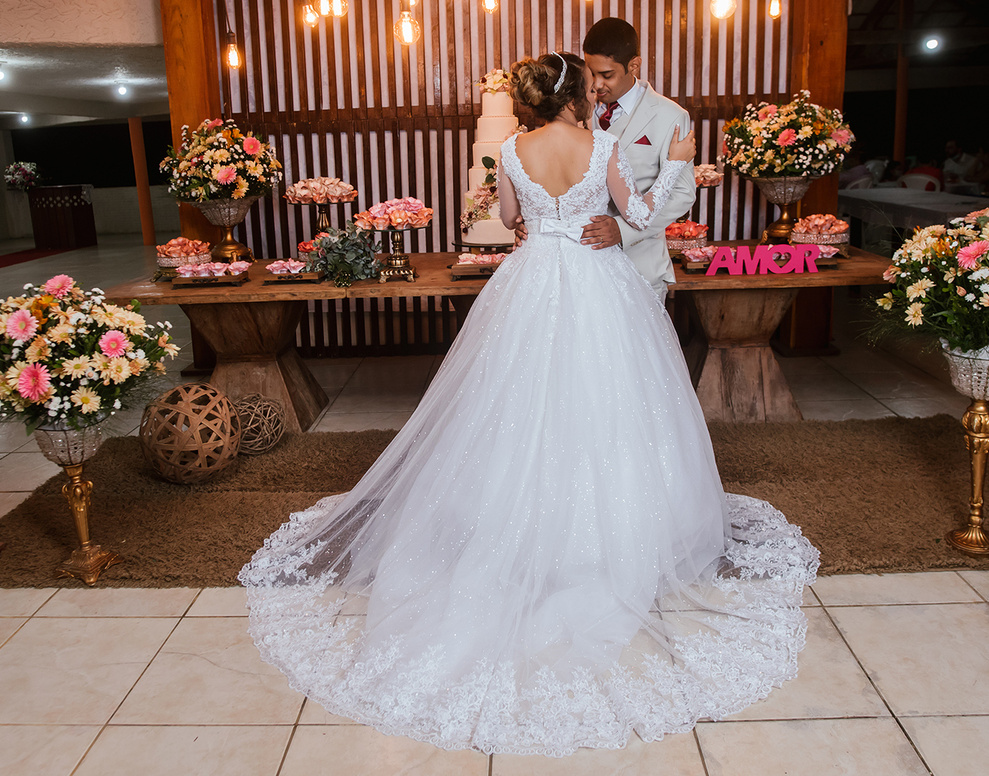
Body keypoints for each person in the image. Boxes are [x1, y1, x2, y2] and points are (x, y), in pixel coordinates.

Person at [239, 52, 818, 757]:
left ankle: (509, 523)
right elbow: (637, 214)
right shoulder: (602, 145)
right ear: (576, 93)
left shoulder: (512, 149)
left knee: (509, 404)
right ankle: (607, 531)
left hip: (531, 277)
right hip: (599, 281)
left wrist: (538, 223)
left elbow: (509, 217)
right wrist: (675, 165)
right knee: (606, 405)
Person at [581, 17, 696, 302]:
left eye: (606, 75)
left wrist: (623, 230)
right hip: (582, 267)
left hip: (642, 265)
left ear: (634, 65)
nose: (597, 85)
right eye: (591, 73)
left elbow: (682, 193)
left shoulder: (671, 115)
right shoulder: (577, 110)